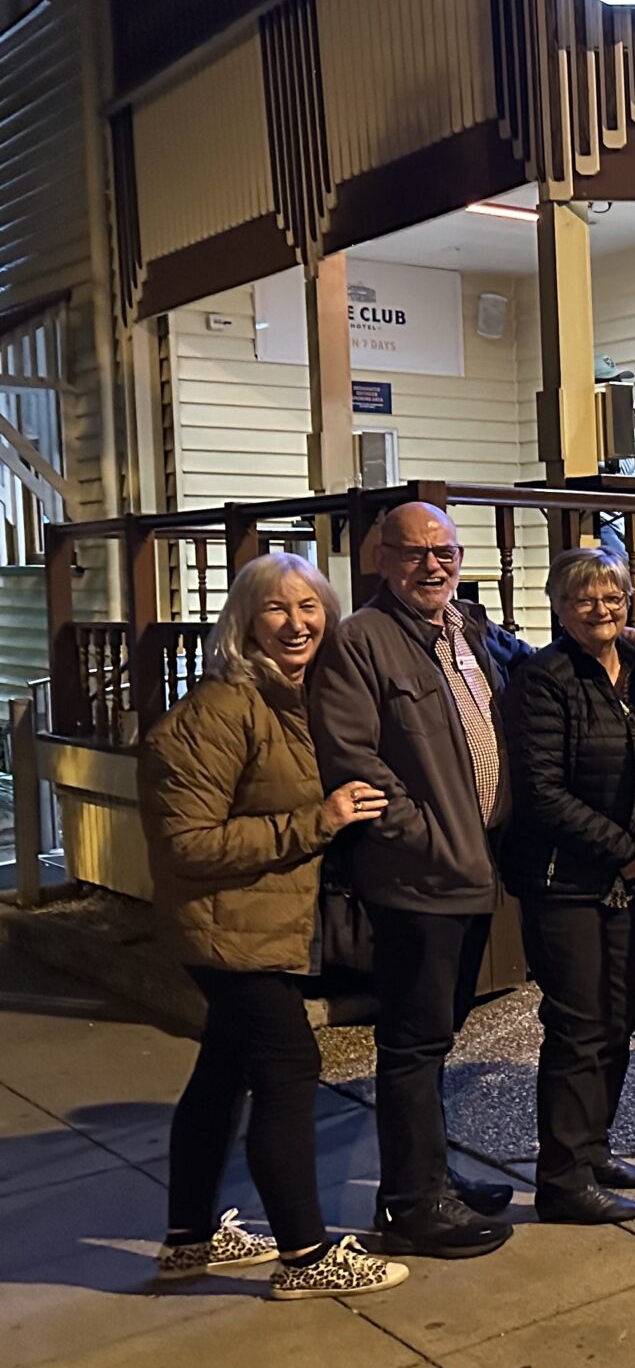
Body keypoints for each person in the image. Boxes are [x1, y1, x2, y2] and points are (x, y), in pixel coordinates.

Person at [139, 554, 408, 1299]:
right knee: (288, 1069)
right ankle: (305, 1255)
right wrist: (317, 821)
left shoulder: (298, 698)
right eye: (276, 609)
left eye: (309, 607)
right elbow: (187, 844)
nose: (296, 623)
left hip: (256, 923)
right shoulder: (220, 710)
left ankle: (189, 1240)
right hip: (227, 929)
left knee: (222, 1071)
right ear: (245, 622)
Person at [309, 501, 517, 1258]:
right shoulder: (361, 641)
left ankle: (431, 1175)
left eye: (445, 552)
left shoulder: (465, 630)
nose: (433, 565)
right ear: (382, 559)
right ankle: (409, 1203)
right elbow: (352, 758)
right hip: (420, 878)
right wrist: (427, 837)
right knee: (412, 1041)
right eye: (414, 552)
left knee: (437, 1035)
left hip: (474, 869)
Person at [500, 550, 635, 1224]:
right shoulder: (544, 679)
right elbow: (541, 791)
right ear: (560, 608)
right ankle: (562, 1180)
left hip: (627, 878)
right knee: (578, 1025)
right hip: (563, 881)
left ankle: (594, 1151)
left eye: (613, 596)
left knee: (619, 1017)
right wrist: (626, 850)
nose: (602, 609)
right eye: (585, 599)